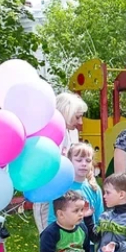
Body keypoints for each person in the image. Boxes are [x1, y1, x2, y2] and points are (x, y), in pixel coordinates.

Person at [33, 94, 92, 234]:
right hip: (47, 188)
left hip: (67, 189)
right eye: (77, 117)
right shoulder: (48, 131)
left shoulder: (72, 133)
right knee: (48, 232)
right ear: (66, 112)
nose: (80, 122)